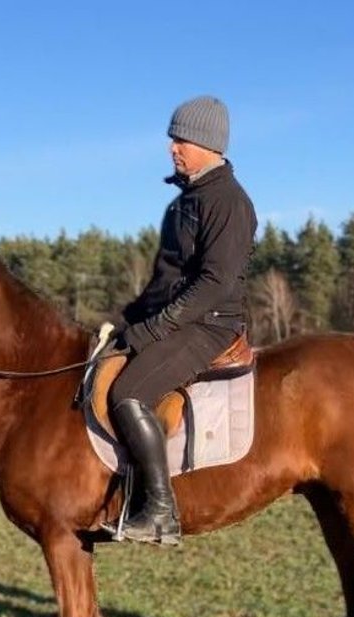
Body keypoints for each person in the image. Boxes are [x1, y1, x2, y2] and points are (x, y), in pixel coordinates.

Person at [107, 95, 258, 545]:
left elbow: (214, 282)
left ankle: (159, 511)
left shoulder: (227, 201)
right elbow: (165, 280)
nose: (173, 148)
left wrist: (157, 327)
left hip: (211, 324)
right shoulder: (185, 202)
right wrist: (126, 323)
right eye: (172, 139)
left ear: (209, 144)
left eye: (182, 140)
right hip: (182, 320)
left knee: (129, 393)